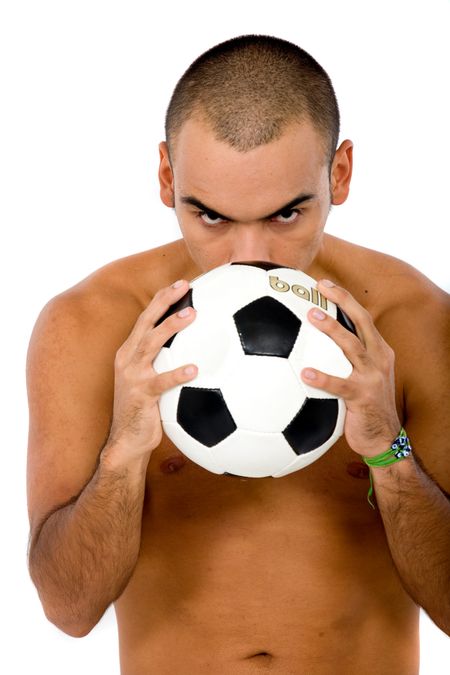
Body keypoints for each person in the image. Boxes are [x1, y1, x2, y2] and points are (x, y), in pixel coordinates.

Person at [26, 34, 450, 674]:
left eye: (286, 215)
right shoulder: (88, 324)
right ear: (168, 177)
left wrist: (389, 453)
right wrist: (124, 453)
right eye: (211, 217)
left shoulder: (416, 323)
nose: (248, 255)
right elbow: (68, 609)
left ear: (338, 174)